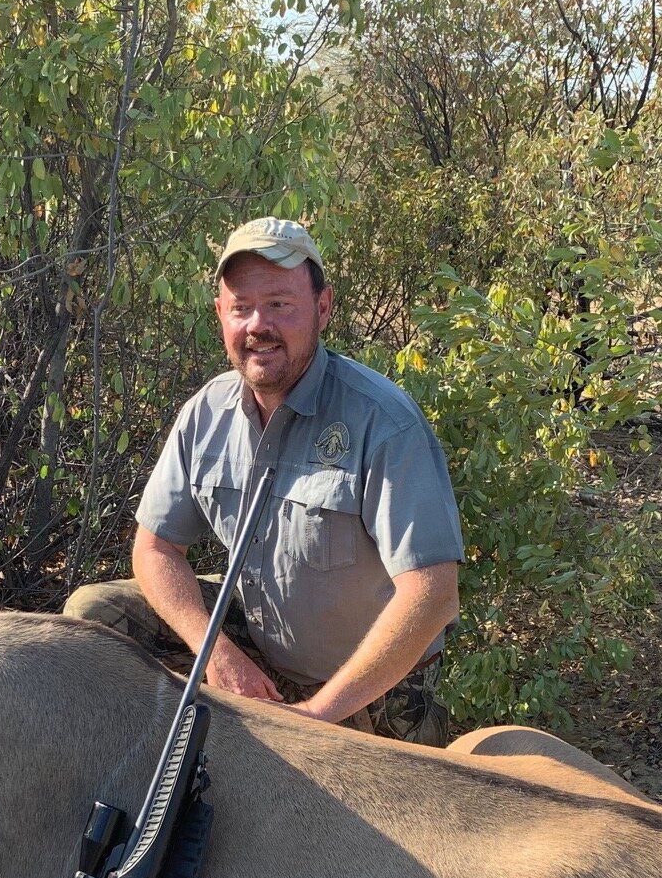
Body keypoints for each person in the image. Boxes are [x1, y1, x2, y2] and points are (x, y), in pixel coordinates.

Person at [65, 217, 463, 743]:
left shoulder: (382, 421)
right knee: (95, 615)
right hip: (262, 641)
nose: (258, 324)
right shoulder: (206, 413)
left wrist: (318, 715)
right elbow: (155, 550)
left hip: (376, 687)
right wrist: (216, 652)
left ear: (323, 308)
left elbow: (433, 594)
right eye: (241, 306)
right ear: (220, 315)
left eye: (279, 304)